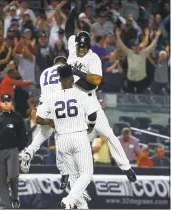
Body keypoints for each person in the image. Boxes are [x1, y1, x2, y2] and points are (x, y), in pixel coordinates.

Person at [64, 1, 136, 182]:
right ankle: (67, 173)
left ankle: (126, 167)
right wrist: (72, 12)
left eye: (83, 46)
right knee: (68, 137)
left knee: (109, 134)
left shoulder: (93, 58)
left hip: (89, 99)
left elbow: (94, 83)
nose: (80, 47)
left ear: (88, 46)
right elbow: (67, 31)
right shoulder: (73, 48)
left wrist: (76, 73)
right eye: (78, 44)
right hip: (73, 100)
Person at [20, 56, 91, 202]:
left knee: (45, 132)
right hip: (60, 104)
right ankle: (76, 187)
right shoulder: (66, 72)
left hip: (45, 105)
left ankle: (29, 152)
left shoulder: (45, 72)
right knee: (65, 143)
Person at [36, 64, 98, 209]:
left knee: (74, 177)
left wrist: (49, 121)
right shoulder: (80, 94)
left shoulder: (52, 97)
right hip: (78, 137)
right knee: (86, 174)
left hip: (62, 140)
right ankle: (69, 200)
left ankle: (82, 207)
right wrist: (91, 126)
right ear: (72, 78)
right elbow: (93, 115)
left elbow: (38, 119)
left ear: (59, 79)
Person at [0, 94, 29, 209]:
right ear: (0, 103)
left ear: (11, 103)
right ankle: (5, 206)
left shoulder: (17, 118)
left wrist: (17, 148)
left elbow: (23, 136)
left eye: (8, 101)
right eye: (4, 101)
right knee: (0, 181)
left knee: (13, 176)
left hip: (12, 151)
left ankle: (15, 197)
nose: (6, 103)